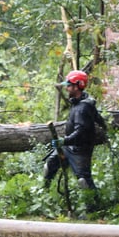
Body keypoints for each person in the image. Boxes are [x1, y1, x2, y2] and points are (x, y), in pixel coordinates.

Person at [43, 70, 100, 207]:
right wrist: (65, 143)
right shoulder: (78, 102)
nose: (67, 88)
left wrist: (64, 140)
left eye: (69, 85)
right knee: (49, 165)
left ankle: (94, 208)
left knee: (84, 181)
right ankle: (44, 196)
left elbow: (80, 131)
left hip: (80, 149)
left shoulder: (83, 107)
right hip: (68, 146)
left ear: (77, 86)